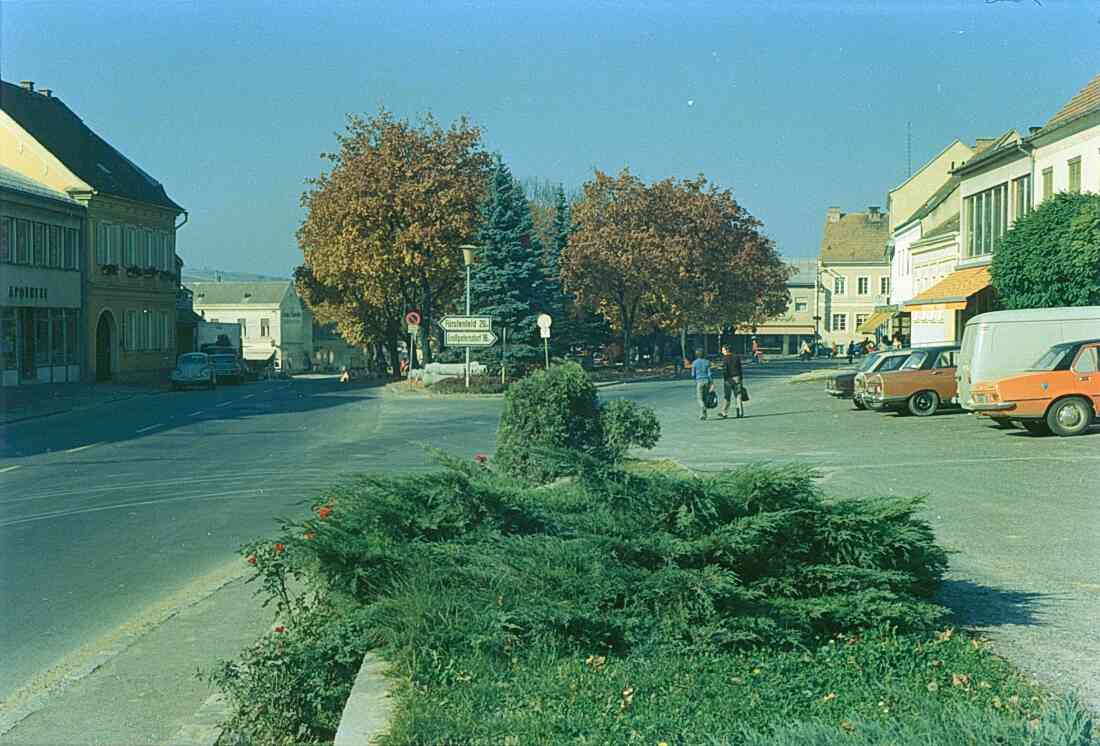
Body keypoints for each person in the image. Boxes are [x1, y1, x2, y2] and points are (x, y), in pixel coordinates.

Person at [719, 345, 744, 419]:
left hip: (728, 379)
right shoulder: (737, 357)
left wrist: (724, 376)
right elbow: (740, 369)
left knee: (727, 396)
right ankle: (740, 412)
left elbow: (725, 370)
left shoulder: (725, 359)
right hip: (737, 378)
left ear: (726, 350)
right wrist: (741, 379)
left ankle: (724, 412)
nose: (722, 351)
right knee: (738, 396)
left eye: (723, 350)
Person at [691, 348, 713, 421]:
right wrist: (711, 383)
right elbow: (709, 373)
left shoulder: (694, 363)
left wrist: (695, 379)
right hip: (706, 381)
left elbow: (693, 374)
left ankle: (703, 408)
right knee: (705, 398)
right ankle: (703, 414)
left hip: (699, 381)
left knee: (700, 398)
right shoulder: (707, 362)